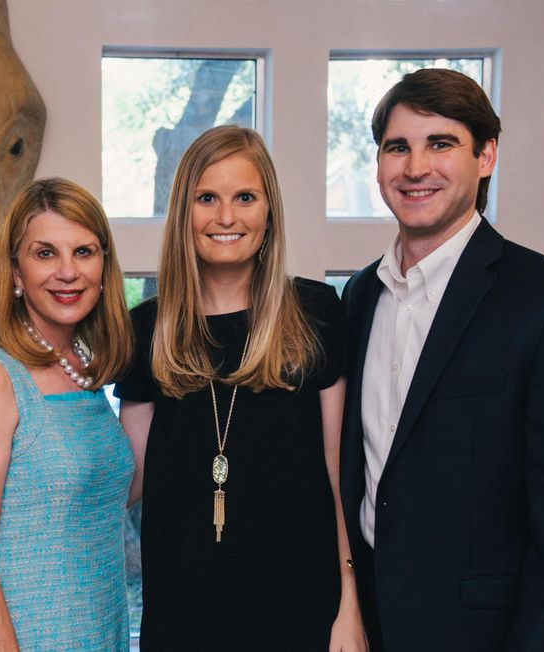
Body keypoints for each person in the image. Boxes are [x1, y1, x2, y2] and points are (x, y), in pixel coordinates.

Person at [339, 68, 544, 651]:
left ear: (486, 156)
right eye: (398, 147)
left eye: (440, 143)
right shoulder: (359, 296)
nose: (415, 167)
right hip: (363, 629)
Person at [115, 125, 366, 650]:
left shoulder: (317, 312)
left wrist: (349, 601)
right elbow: (127, 480)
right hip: (183, 612)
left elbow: (337, 473)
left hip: (302, 609)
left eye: (245, 198)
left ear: (269, 212)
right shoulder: (147, 330)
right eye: (207, 198)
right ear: (183, 212)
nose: (226, 217)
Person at [0, 177, 134, 650]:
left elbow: (98, 499)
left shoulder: (83, 368)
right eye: (45, 253)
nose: (67, 272)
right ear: (15, 272)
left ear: (104, 267)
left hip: (98, 632)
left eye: (84, 252)